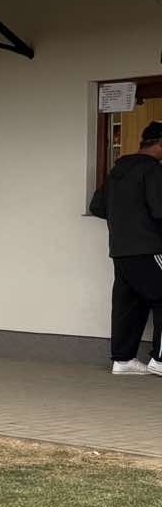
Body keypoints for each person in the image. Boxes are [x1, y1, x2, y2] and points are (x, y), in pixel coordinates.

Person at [88, 119, 162, 373]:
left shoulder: (117, 171)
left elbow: (97, 207)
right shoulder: (152, 170)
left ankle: (123, 360)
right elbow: (160, 210)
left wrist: (125, 221)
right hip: (149, 248)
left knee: (129, 303)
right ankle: (160, 360)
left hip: (121, 249)